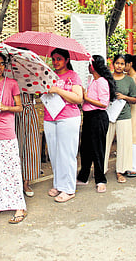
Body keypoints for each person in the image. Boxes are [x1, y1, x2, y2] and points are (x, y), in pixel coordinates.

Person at [0, 52, 27, 224]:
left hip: (6, 132)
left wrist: (5, 107)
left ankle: (18, 206)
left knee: (11, 170)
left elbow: (19, 107)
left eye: (2, 64)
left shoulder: (12, 83)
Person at [45, 48, 83, 202]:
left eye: (59, 59)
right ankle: (58, 184)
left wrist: (58, 90)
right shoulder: (48, 76)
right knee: (54, 153)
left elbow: (78, 98)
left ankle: (68, 188)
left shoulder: (72, 76)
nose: (55, 62)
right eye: (53, 59)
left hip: (68, 117)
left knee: (66, 153)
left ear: (66, 60)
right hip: (50, 117)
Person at [77, 55, 116, 192]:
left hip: (98, 117)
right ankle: (84, 175)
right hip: (88, 116)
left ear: (94, 66)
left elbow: (103, 103)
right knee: (85, 148)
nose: (88, 66)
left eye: (89, 64)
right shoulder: (92, 81)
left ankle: (100, 179)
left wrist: (86, 98)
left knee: (98, 148)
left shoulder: (102, 82)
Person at [102, 54, 136, 184]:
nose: (119, 66)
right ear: (113, 64)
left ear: (126, 65)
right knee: (105, 142)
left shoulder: (129, 80)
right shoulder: (107, 78)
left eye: (122, 64)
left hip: (124, 115)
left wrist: (124, 97)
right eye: (117, 63)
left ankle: (120, 171)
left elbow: (135, 99)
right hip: (109, 114)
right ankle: (102, 170)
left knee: (123, 144)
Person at [15, 93, 41, 197]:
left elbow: (39, 94)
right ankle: (15, 181)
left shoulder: (30, 78)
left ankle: (26, 182)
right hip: (13, 112)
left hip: (29, 111)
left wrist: (37, 92)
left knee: (31, 146)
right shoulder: (8, 79)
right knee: (16, 148)